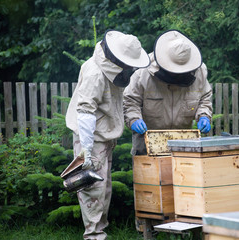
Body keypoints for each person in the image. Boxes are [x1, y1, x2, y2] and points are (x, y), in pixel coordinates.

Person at [65, 30, 150, 240]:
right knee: (93, 190)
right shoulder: (95, 72)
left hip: (104, 137)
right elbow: (85, 111)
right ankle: (94, 236)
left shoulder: (112, 69)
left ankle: (99, 231)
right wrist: (86, 150)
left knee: (104, 188)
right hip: (91, 138)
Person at [123, 29, 212, 155]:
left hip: (183, 146)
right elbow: (130, 101)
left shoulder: (200, 73)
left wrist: (204, 115)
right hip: (146, 144)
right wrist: (134, 119)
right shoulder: (142, 73)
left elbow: (204, 98)